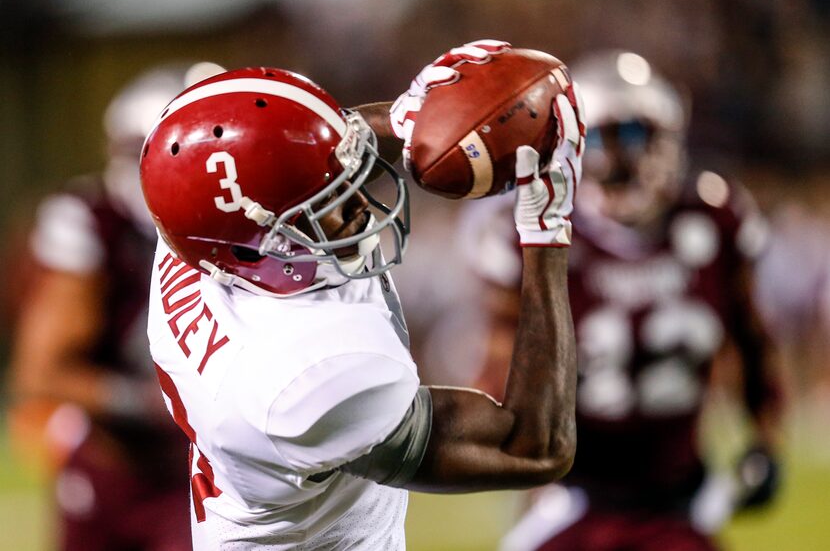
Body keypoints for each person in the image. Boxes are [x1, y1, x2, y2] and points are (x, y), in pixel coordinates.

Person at [138, 40, 583, 549]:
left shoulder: (196, 225)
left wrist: (408, 118)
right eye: (328, 204)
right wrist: (546, 229)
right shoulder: (304, 382)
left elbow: (284, 158)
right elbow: (532, 449)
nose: (361, 208)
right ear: (258, 248)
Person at [460, 51, 785, 551]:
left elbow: (754, 343)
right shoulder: (535, 233)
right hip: (571, 495)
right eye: (613, 135)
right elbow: (502, 371)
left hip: (682, 496)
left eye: (640, 133)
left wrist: (765, 439)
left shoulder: (718, 221)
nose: (628, 155)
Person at [9, 62, 223, 551]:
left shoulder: (251, 230)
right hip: (118, 464)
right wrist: (149, 402)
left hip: (205, 470)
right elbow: (39, 373)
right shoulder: (97, 226)